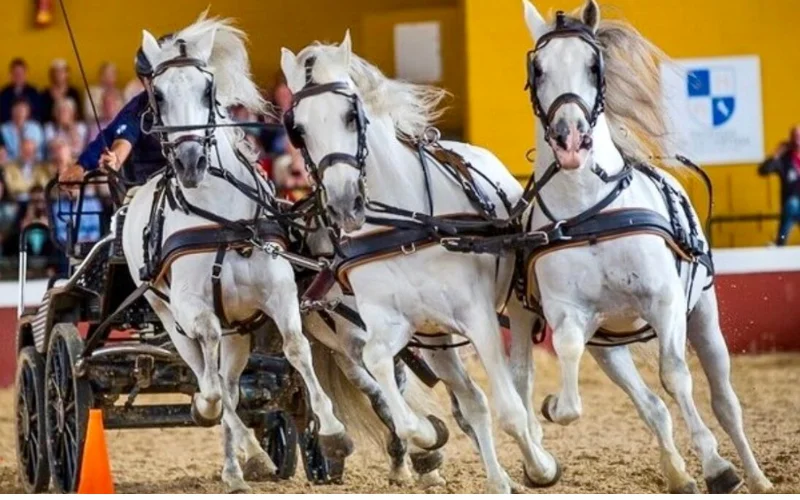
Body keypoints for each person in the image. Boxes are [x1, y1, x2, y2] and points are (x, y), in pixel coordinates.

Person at [759, 125, 800, 246]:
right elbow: (763, 170)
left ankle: (780, 242)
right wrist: (776, 155)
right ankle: (780, 242)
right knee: (792, 204)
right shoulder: (785, 159)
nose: (797, 139)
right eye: (795, 136)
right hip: (791, 206)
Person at [39, 59, 83, 125]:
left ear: (67, 74)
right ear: (52, 74)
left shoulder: (74, 92)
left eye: (62, 71)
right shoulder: (45, 93)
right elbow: (42, 115)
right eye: (56, 72)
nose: (59, 75)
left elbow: (79, 113)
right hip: (50, 127)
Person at [0, 58, 40, 122]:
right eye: (15, 73)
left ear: (26, 74)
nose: (18, 76)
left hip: (29, 127)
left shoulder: (34, 92)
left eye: (21, 73)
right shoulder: (4, 93)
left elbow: (38, 113)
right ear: (10, 75)